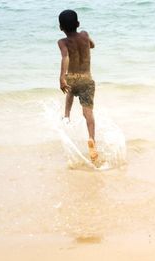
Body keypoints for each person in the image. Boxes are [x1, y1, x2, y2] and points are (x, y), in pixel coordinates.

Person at [57, 9, 98, 162]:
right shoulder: (85, 35)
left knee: (69, 91)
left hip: (73, 78)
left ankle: (66, 116)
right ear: (78, 24)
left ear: (60, 28)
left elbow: (65, 57)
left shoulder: (62, 42)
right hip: (87, 79)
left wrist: (62, 77)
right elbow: (92, 45)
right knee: (88, 113)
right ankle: (92, 138)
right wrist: (86, 42)